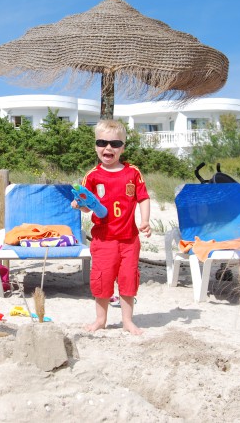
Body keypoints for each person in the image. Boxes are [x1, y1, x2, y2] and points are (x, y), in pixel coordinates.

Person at [71, 119, 151, 335]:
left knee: (128, 279)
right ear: (96, 146)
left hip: (129, 239)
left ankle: (127, 321)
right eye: (102, 142)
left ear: (122, 147)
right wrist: (80, 205)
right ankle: (101, 319)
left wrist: (145, 220)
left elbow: (143, 198)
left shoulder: (133, 173)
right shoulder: (93, 176)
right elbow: (89, 208)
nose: (108, 147)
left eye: (115, 144)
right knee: (102, 278)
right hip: (103, 239)